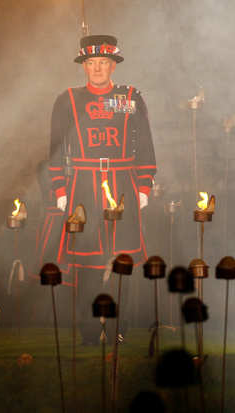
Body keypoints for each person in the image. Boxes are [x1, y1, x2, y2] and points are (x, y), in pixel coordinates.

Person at [45, 34, 157, 342]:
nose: (97, 69)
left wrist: (144, 185)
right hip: (82, 185)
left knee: (124, 258)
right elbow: (55, 148)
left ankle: (120, 327)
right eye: (91, 63)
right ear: (84, 66)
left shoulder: (131, 96)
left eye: (103, 63)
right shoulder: (67, 99)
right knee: (88, 262)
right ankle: (91, 331)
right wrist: (59, 188)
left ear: (113, 65)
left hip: (123, 183)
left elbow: (145, 142)